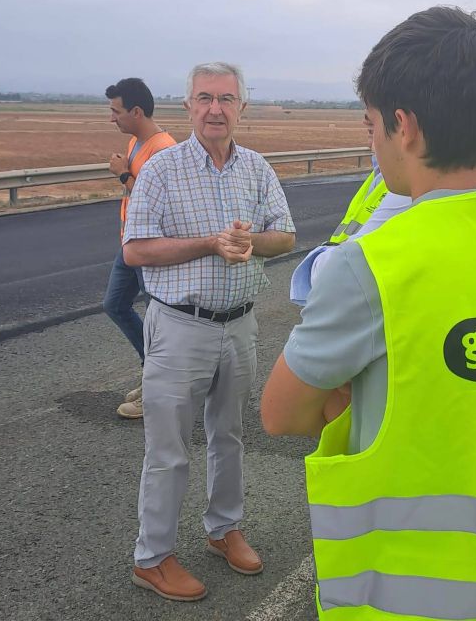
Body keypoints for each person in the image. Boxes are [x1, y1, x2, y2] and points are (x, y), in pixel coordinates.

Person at [261, 6, 476, 621]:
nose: (371, 142)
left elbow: (279, 413)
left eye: (370, 125)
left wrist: (353, 399)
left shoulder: (373, 267)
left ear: (404, 126)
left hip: (405, 600)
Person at [122, 62, 295, 601]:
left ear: (242, 106)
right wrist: (210, 243)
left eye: (226, 98)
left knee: (229, 435)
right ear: (188, 106)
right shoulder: (162, 170)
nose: (216, 108)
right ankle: (152, 557)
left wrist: (251, 243)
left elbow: (285, 236)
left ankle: (224, 528)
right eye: (204, 98)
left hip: (238, 324)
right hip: (179, 327)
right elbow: (135, 250)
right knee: (168, 447)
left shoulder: (257, 168)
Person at [103, 78, 176, 419]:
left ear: (135, 111)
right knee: (115, 304)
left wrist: (122, 175)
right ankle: (152, 371)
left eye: (116, 111)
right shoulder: (135, 141)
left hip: (150, 247)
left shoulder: (164, 150)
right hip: (130, 243)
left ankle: (157, 387)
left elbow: (159, 203)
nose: (112, 118)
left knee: (157, 318)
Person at [290, 114, 412, 305]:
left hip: (354, 301)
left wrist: (321, 259)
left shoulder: (404, 186)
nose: (366, 118)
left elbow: (332, 274)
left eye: (375, 107)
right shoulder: (379, 175)